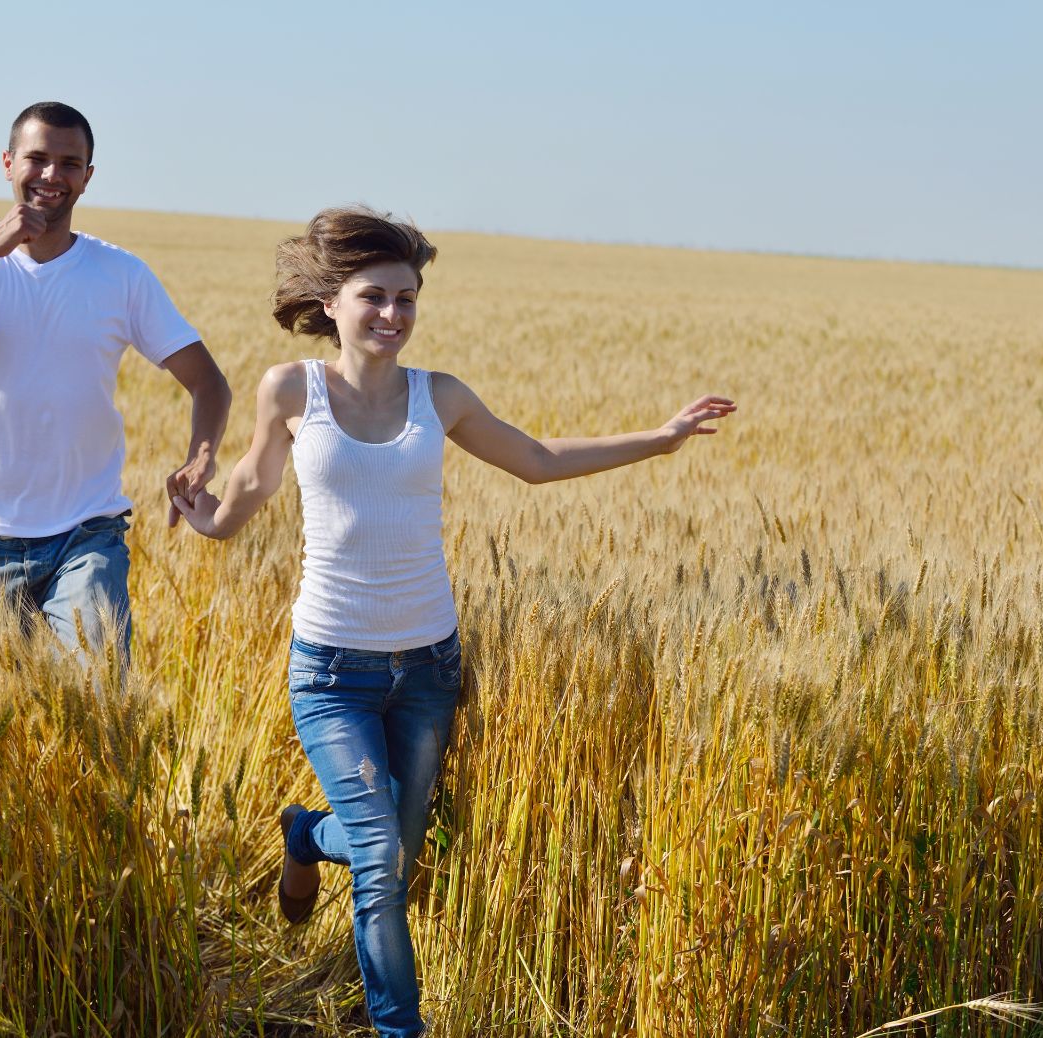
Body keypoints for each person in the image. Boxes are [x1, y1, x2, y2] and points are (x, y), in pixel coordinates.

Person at [171, 205, 735, 1036]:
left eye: (407, 298)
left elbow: (536, 461)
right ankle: (403, 1030)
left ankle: (302, 835)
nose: (393, 315)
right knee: (380, 861)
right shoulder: (292, 389)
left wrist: (659, 438)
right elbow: (251, 487)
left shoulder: (440, 397)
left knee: (390, 859)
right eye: (375, 297)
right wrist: (205, 516)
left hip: (428, 669)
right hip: (331, 670)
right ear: (331, 302)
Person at [0, 101, 230, 662]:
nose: (52, 176)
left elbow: (209, 382)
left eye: (70, 164)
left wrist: (202, 455)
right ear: (7, 162)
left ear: (88, 177)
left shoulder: (119, 274)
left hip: (85, 532)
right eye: (37, 158)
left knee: (100, 704)